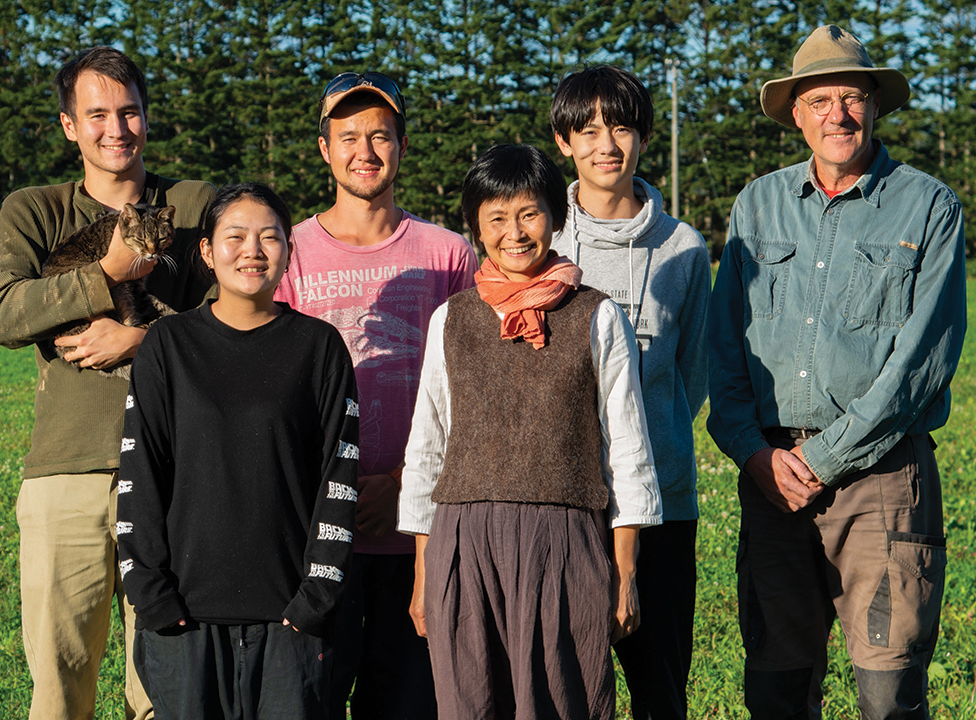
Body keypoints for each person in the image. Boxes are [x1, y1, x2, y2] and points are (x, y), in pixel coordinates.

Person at [707, 25, 966, 720]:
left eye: (850, 98)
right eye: (820, 101)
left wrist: (823, 457)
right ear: (796, 113)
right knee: (776, 688)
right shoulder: (755, 207)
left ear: (875, 106)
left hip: (882, 480)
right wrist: (754, 452)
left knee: (889, 694)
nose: (837, 116)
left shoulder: (929, 208)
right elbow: (723, 349)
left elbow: (921, 363)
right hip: (772, 480)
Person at [0, 46, 216, 720]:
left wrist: (143, 338)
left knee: (170, 690)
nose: (116, 128)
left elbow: (237, 323)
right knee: (61, 688)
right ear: (68, 126)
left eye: (129, 112)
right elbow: (3, 315)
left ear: (147, 117)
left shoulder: (195, 205)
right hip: (68, 471)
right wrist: (105, 272)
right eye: (97, 115)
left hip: (180, 471)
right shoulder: (33, 211)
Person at [398, 144, 662, 719]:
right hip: (464, 542)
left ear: (555, 219)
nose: (514, 232)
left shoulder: (598, 315)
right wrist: (423, 574)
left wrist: (624, 574)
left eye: (529, 213)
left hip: (566, 540)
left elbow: (628, 450)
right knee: (472, 702)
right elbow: (427, 450)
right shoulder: (453, 319)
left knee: (564, 701)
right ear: (475, 228)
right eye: (496, 217)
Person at [274, 70, 476, 720]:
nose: (366, 150)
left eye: (381, 136)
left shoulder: (449, 256)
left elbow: (474, 393)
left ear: (403, 146)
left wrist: (402, 482)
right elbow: (270, 394)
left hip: (419, 533)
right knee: (312, 702)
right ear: (323, 149)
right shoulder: (287, 255)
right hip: (312, 537)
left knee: (411, 705)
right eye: (349, 136)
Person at [117, 182, 360, 719]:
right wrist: (152, 595)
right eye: (235, 237)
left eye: (270, 238)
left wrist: (316, 599)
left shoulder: (318, 348)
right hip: (186, 621)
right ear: (206, 251)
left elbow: (338, 480)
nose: (252, 251)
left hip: (292, 624)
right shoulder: (169, 345)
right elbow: (140, 473)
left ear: (290, 253)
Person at [550, 65, 710, 720]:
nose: (605, 143)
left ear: (642, 136)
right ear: (564, 143)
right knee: (565, 687)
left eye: (620, 126)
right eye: (587, 130)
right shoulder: (543, 239)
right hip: (565, 507)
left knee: (660, 689)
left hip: (662, 508)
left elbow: (692, 375)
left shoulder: (685, 248)